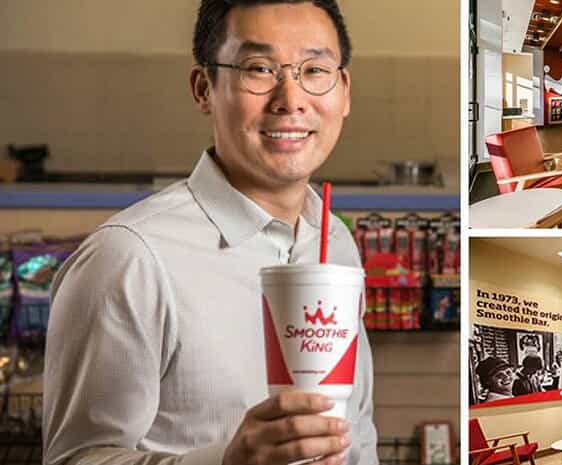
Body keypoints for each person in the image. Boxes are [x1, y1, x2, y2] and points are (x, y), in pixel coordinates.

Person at [42, 2, 376, 465]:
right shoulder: (129, 258)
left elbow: (356, 429)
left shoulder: (333, 242)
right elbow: (74, 459)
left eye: (315, 70)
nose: (291, 99)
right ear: (204, 90)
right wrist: (225, 461)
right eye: (259, 68)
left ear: (344, 91)